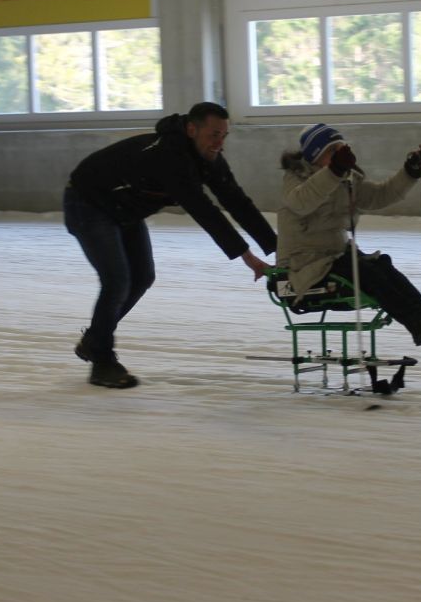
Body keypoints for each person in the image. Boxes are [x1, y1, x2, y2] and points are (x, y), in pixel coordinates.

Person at [64, 102, 277, 389]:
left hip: (123, 209)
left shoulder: (209, 157)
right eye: (214, 134)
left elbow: (237, 202)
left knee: (142, 277)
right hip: (88, 203)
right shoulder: (169, 156)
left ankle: (94, 339)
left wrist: (278, 247)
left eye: (224, 135)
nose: (219, 143)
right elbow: (205, 211)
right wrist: (248, 258)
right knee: (117, 280)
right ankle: (101, 360)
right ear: (192, 129)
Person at [277, 124, 421, 349]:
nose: (340, 155)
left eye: (341, 150)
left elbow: (379, 196)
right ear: (316, 156)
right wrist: (334, 171)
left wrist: (409, 173)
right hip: (304, 265)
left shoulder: (345, 178)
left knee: (382, 265)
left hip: (335, 257)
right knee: (366, 272)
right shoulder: (296, 179)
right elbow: (302, 202)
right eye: (333, 151)